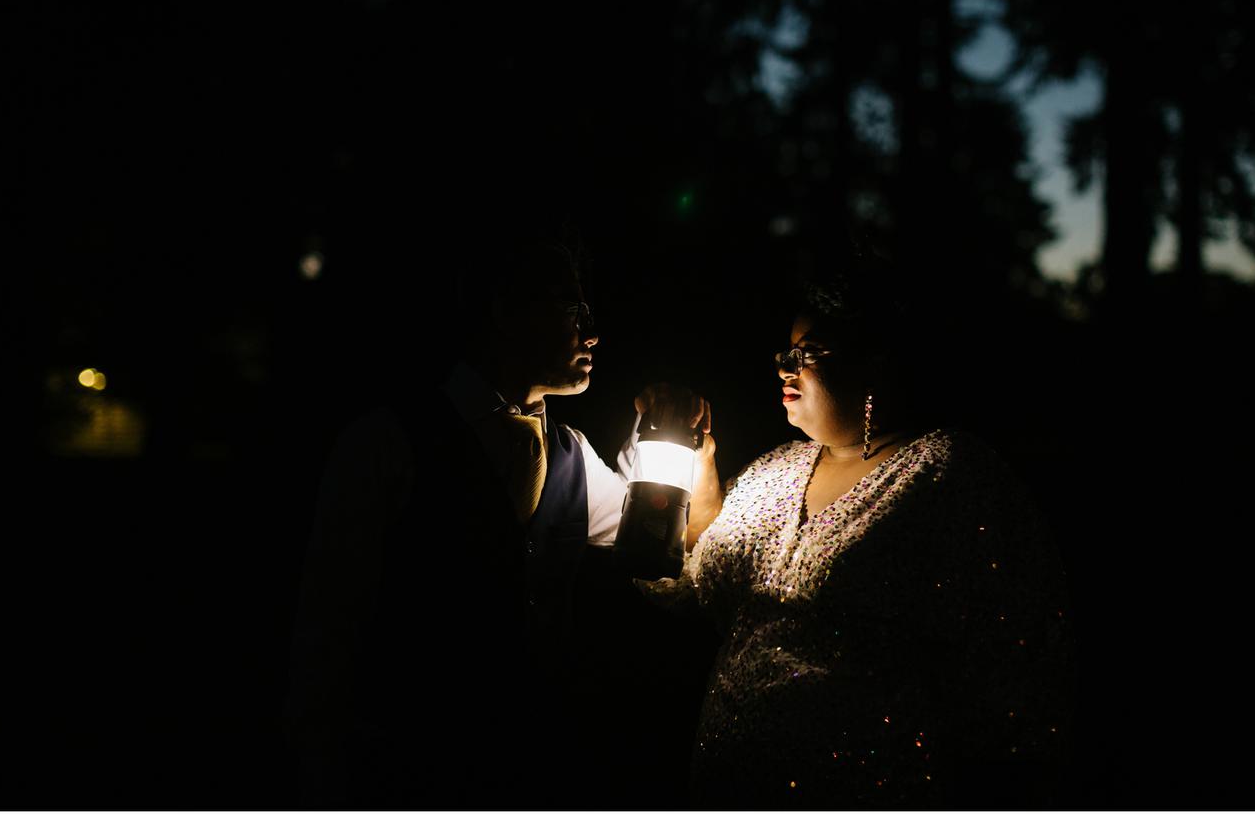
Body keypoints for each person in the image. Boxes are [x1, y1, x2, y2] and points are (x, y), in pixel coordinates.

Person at [284, 238, 702, 809]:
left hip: (535, 772)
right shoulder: (386, 444)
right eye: (573, 310)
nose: (593, 331)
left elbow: (669, 553)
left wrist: (682, 441)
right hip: (399, 776)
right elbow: (324, 630)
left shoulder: (574, 456)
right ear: (506, 310)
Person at [644, 264, 1074, 809]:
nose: (786, 368)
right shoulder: (772, 472)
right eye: (786, 352)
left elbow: (1022, 664)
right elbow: (697, 583)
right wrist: (702, 468)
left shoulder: (947, 476)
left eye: (810, 352)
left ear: (876, 361)